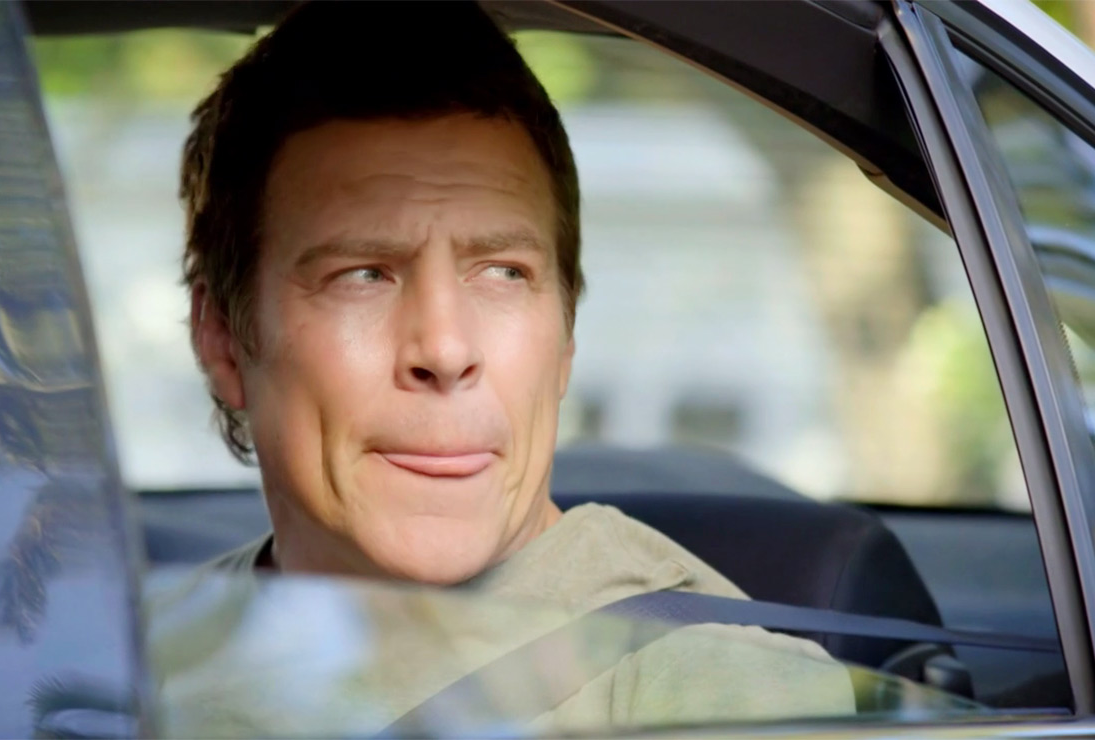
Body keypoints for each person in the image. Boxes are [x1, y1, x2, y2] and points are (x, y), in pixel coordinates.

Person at [170, 0, 854, 732]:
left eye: (503, 273)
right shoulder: (139, 649)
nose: (445, 350)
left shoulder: (714, 688)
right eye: (363, 275)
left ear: (565, 338)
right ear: (222, 339)